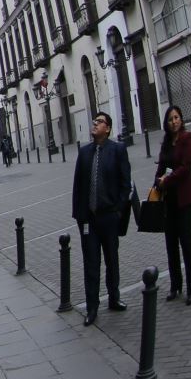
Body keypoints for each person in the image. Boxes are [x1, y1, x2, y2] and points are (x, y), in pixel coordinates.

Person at [71, 111, 133, 325]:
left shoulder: (117, 150)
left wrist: (118, 211)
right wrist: (79, 216)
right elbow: (78, 186)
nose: (95, 124)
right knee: (91, 263)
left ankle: (114, 298)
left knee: (111, 260)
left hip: (109, 216)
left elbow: (126, 184)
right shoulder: (84, 152)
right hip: (89, 218)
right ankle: (92, 307)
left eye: (100, 122)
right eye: (94, 121)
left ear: (108, 128)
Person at [155, 105, 191, 304]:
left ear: (181, 120)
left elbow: (185, 168)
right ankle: (176, 286)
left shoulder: (187, 138)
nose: (174, 121)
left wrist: (167, 179)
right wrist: (157, 181)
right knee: (171, 244)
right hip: (168, 200)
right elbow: (161, 166)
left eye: (176, 118)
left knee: (186, 242)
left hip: (184, 198)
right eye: (170, 119)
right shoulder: (166, 143)